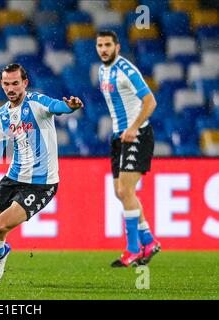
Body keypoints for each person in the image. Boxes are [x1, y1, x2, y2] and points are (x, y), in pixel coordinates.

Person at [0, 63, 84, 283]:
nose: (11, 88)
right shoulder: (3, 114)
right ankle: (1, 252)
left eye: (15, 83)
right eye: (6, 84)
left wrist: (70, 107)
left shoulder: (37, 103)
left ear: (25, 83)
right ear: (1, 84)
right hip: (13, 178)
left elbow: (56, 106)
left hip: (41, 183)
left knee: (1, 225)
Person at [96, 30, 161, 267]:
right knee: (120, 192)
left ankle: (134, 249)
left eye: (107, 45)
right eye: (100, 45)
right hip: (119, 137)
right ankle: (149, 240)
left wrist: (134, 127)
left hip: (137, 135)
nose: (103, 49)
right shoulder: (102, 71)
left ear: (117, 47)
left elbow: (150, 101)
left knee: (125, 191)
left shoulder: (127, 70)